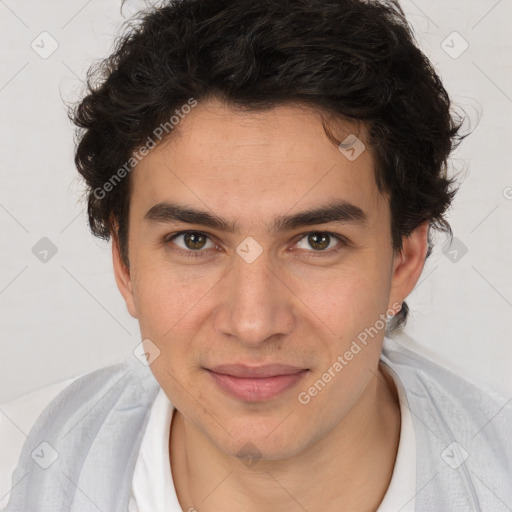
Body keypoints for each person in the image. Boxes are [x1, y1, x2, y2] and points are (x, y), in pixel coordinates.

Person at [1, 0, 511, 511]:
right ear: (124, 263)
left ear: (405, 258)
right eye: (194, 240)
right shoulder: (18, 465)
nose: (253, 323)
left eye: (317, 241)